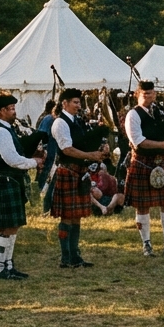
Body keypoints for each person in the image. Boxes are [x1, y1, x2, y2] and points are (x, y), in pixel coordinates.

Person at [0, 92, 45, 280]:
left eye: (13, 108)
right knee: (6, 228)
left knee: (13, 227)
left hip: (11, 180)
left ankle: (8, 266)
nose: (14, 112)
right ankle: (0, 269)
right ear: (0, 111)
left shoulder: (6, 129)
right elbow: (12, 160)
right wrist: (34, 162)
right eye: (10, 109)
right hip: (6, 180)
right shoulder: (0, 132)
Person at [124, 80, 164, 257]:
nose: (149, 97)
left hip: (161, 162)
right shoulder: (133, 115)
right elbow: (138, 141)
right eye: (145, 94)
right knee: (142, 205)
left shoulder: (159, 112)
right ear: (137, 94)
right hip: (142, 163)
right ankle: (146, 244)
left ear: (155, 94)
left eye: (151, 93)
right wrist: (162, 144)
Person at [50, 88, 109, 269]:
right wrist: (91, 156)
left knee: (77, 217)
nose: (78, 105)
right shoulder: (60, 123)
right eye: (75, 102)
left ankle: (75, 256)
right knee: (67, 217)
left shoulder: (77, 121)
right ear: (64, 103)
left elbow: (83, 142)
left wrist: (101, 146)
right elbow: (67, 149)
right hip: (67, 172)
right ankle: (65, 258)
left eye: (79, 102)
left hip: (79, 172)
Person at [35, 99, 57, 192]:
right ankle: (37, 189)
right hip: (46, 150)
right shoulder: (48, 118)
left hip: (48, 149)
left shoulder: (45, 116)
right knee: (43, 170)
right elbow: (42, 134)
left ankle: (38, 189)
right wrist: (44, 149)